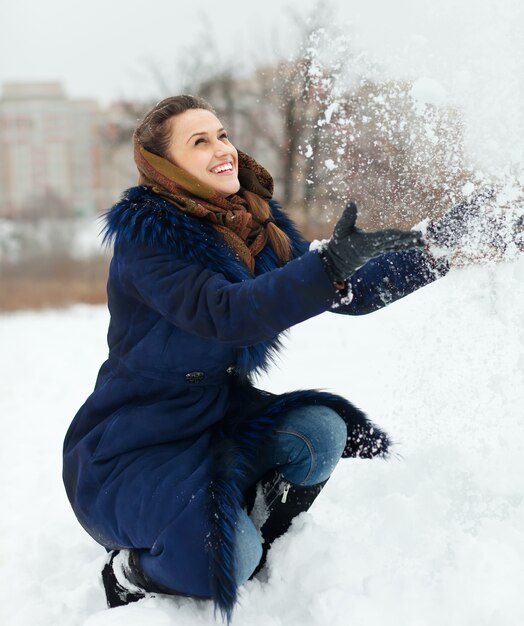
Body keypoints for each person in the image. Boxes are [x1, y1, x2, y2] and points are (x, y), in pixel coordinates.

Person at [62, 95, 517, 623]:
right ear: (165, 167)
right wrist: (327, 268)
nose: (222, 149)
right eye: (199, 141)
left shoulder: (252, 229)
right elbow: (227, 312)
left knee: (319, 430)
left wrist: (442, 243)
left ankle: (247, 540)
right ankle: (132, 573)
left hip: (212, 427)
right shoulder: (149, 244)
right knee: (228, 554)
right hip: (132, 454)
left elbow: (350, 290)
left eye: (223, 134)